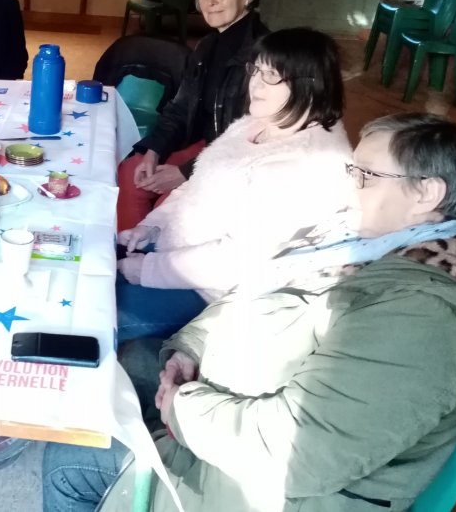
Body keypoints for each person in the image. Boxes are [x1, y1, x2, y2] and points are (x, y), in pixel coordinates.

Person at [45, 113, 456, 512]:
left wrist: (183, 409)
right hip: (232, 388)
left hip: (265, 491)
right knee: (122, 366)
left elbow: (294, 453)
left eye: (365, 175)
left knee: (68, 459)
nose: (350, 186)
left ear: (427, 193)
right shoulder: (359, 241)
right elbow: (253, 292)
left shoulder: (420, 322)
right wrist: (189, 347)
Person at [115, 28, 352, 340]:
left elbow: (237, 260)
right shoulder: (257, 124)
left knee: (99, 317)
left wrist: (146, 269)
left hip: (213, 293)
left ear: (310, 84)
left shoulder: (306, 164)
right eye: (256, 70)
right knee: (86, 268)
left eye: (271, 75)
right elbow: (198, 182)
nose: (255, 82)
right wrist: (152, 226)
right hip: (173, 254)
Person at [118, 0, 270, 231]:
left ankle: (150, 266)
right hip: (205, 145)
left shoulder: (264, 56)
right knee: (132, 172)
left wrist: (186, 173)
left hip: (236, 159)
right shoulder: (207, 46)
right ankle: (127, 255)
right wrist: (153, 150)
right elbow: (179, 108)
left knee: (171, 203)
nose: (210, 1)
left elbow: (254, 138)